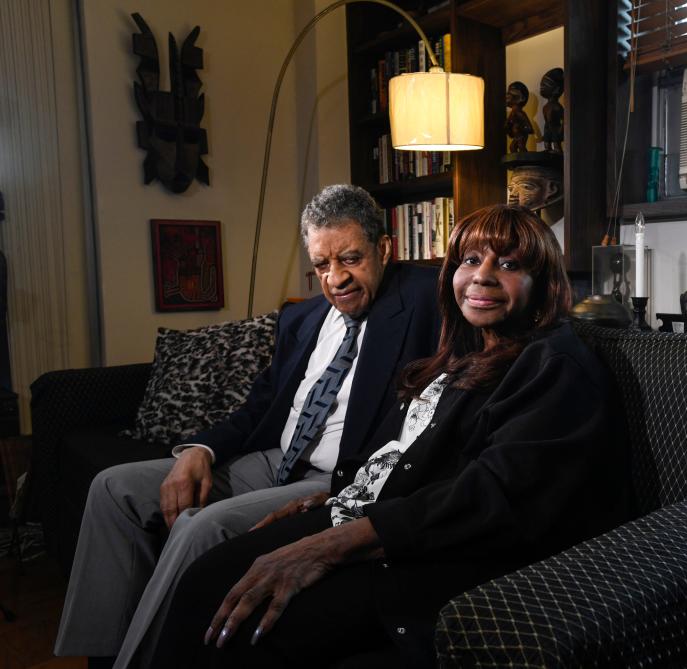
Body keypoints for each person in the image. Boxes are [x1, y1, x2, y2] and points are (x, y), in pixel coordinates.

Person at [149, 204, 634, 668]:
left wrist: (329, 545)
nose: (482, 275)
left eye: (508, 264)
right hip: (360, 514)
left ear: (543, 284)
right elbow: (400, 457)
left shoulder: (554, 364)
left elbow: (492, 494)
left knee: (246, 625)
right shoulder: (460, 355)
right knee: (203, 579)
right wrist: (331, 500)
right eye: (470, 259)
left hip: (422, 557)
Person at [54, 184, 441, 669]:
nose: (336, 278)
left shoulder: (427, 299)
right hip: (270, 460)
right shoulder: (301, 318)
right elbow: (259, 408)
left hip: (332, 477)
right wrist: (200, 451)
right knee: (112, 488)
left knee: (202, 527)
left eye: (351, 258)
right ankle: (103, 656)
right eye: (322, 265)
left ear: (385, 249)